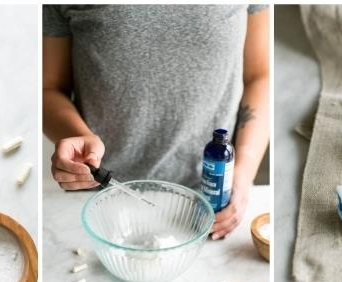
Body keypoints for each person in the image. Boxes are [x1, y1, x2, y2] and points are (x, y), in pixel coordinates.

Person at [43, 5, 269, 239]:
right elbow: (49, 88)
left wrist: (243, 173)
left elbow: (260, 75)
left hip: (208, 200)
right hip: (99, 200)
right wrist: (78, 136)